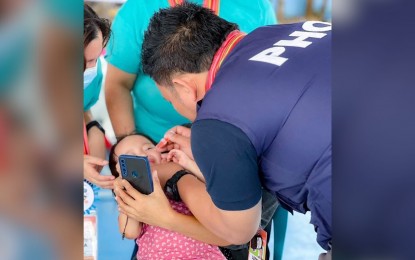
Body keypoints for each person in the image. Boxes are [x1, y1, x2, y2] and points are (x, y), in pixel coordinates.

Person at [115, 2, 332, 258]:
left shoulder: (218, 120)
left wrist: (165, 210)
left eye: (169, 99)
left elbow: (240, 232)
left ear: (183, 87)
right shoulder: (282, 32)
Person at [105, 0, 277, 143]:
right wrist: (129, 141)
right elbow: (117, 85)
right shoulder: (137, 9)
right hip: (155, 141)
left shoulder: (256, 6)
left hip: (232, 137)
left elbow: (268, 75)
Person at [109, 133, 227, 259]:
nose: (143, 155)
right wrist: (128, 189)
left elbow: (214, 193)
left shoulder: (182, 175)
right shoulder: (138, 198)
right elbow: (129, 232)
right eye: (131, 158)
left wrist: (187, 165)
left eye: (148, 148)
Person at [83, 4, 114, 189]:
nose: (92, 68)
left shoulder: (94, 72)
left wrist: (93, 127)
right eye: (85, 61)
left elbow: (82, 107)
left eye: (95, 59)